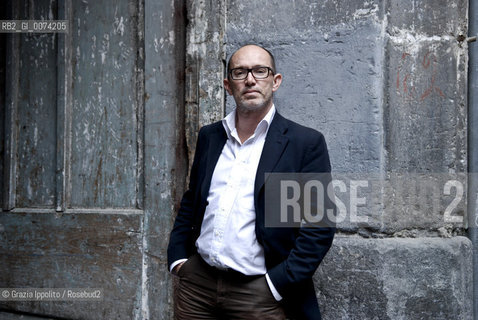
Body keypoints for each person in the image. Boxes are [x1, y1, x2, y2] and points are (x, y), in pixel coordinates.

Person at [167, 44, 335, 320]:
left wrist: (276, 284)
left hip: (259, 292)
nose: (250, 79)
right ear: (227, 84)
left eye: (260, 70)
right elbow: (192, 200)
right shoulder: (210, 136)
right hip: (197, 286)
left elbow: (320, 224)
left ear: (275, 81)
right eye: (240, 72)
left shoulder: (305, 143)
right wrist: (178, 259)